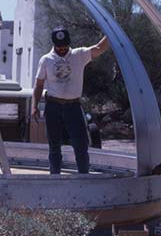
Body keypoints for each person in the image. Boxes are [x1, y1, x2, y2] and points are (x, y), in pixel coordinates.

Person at [32, 26, 109, 174]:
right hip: (53, 106)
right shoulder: (46, 60)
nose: (62, 49)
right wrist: (34, 106)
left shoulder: (79, 55)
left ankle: (83, 177)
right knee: (54, 146)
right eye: (59, 47)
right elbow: (39, 84)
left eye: (65, 46)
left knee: (80, 145)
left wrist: (111, 34)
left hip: (73, 106)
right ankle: (55, 178)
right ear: (54, 44)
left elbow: (99, 48)